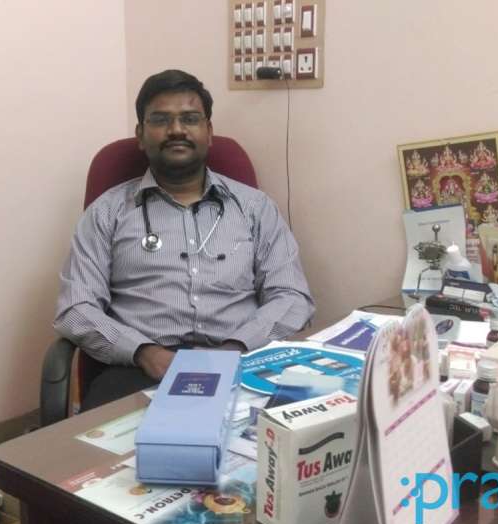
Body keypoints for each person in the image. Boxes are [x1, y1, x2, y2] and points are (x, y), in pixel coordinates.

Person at [54, 70, 315, 410]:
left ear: (209, 132)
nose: (176, 130)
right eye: (161, 120)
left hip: (241, 361)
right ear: (140, 135)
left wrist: (236, 347)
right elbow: (76, 308)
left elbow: (292, 296)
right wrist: (143, 352)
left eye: (190, 119)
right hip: (139, 370)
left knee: (274, 438)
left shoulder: (255, 208)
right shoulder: (106, 213)